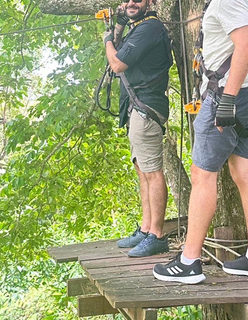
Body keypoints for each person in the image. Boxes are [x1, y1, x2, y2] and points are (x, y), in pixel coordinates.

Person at [153, 0, 248, 283]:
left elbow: (245, 46)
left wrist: (227, 100)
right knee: (244, 173)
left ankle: (189, 261)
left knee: (202, 176)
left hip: (230, 94)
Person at [103, 0, 172, 257]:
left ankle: (157, 235)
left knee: (152, 171)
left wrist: (107, 40)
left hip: (146, 108)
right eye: (128, 0)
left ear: (151, 3)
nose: (132, 2)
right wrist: (118, 27)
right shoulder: (138, 28)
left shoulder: (150, 28)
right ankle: (145, 229)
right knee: (142, 169)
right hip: (137, 108)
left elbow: (118, 63)